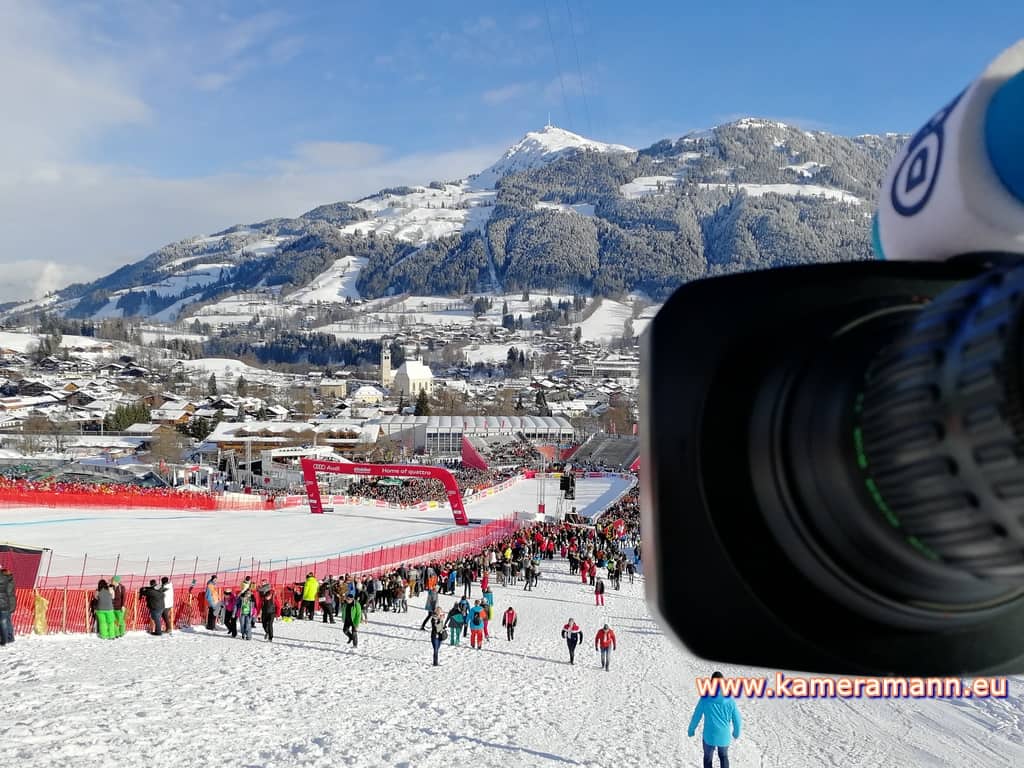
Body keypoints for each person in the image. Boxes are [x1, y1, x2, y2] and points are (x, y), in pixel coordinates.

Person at [688, 671, 741, 768]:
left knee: (708, 758)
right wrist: (736, 732)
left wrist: (691, 729)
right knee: (724, 756)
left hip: (709, 736)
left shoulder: (705, 698)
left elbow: (696, 715)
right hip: (724, 736)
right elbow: (737, 719)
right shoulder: (730, 700)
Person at [0, 563, 13, 646]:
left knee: (3, 622)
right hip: (6, 603)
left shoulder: (3, 578)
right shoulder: (6, 578)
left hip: (3, 603)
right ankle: (8, 638)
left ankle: (5, 640)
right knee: (5, 621)